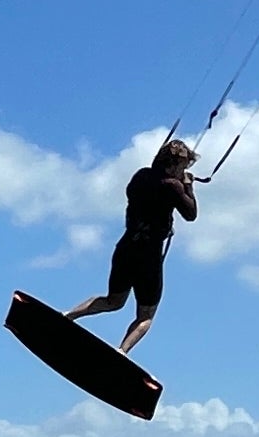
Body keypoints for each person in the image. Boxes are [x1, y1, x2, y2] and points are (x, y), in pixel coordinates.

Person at [58, 135, 202, 355]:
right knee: (145, 316)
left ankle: (69, 315)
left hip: (126, 248)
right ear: (173, 164)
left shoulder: (141, 176)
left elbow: (142, 200)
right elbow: (191, 214)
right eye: (183, 165)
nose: (184, 170)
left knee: (113, 301)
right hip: (149, 257)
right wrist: (188, 187)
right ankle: (122, 351)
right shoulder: (173, 186)